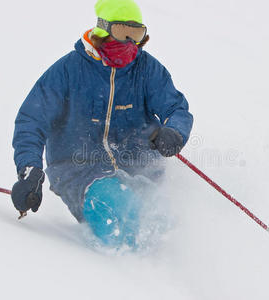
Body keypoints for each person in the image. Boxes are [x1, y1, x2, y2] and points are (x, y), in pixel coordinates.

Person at [11, 0, 193, 248]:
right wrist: (29, 170)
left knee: (169, 226)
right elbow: (32, 121)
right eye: (122, 32)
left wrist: (175, 131)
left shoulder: (146, 69)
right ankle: (133, 278)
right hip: (79, 170)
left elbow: (176, 108)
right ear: (103, 30)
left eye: (137, 34)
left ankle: (183, 276)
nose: (130, 43)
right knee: (129, 219)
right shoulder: (69, 71)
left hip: (141, 169)